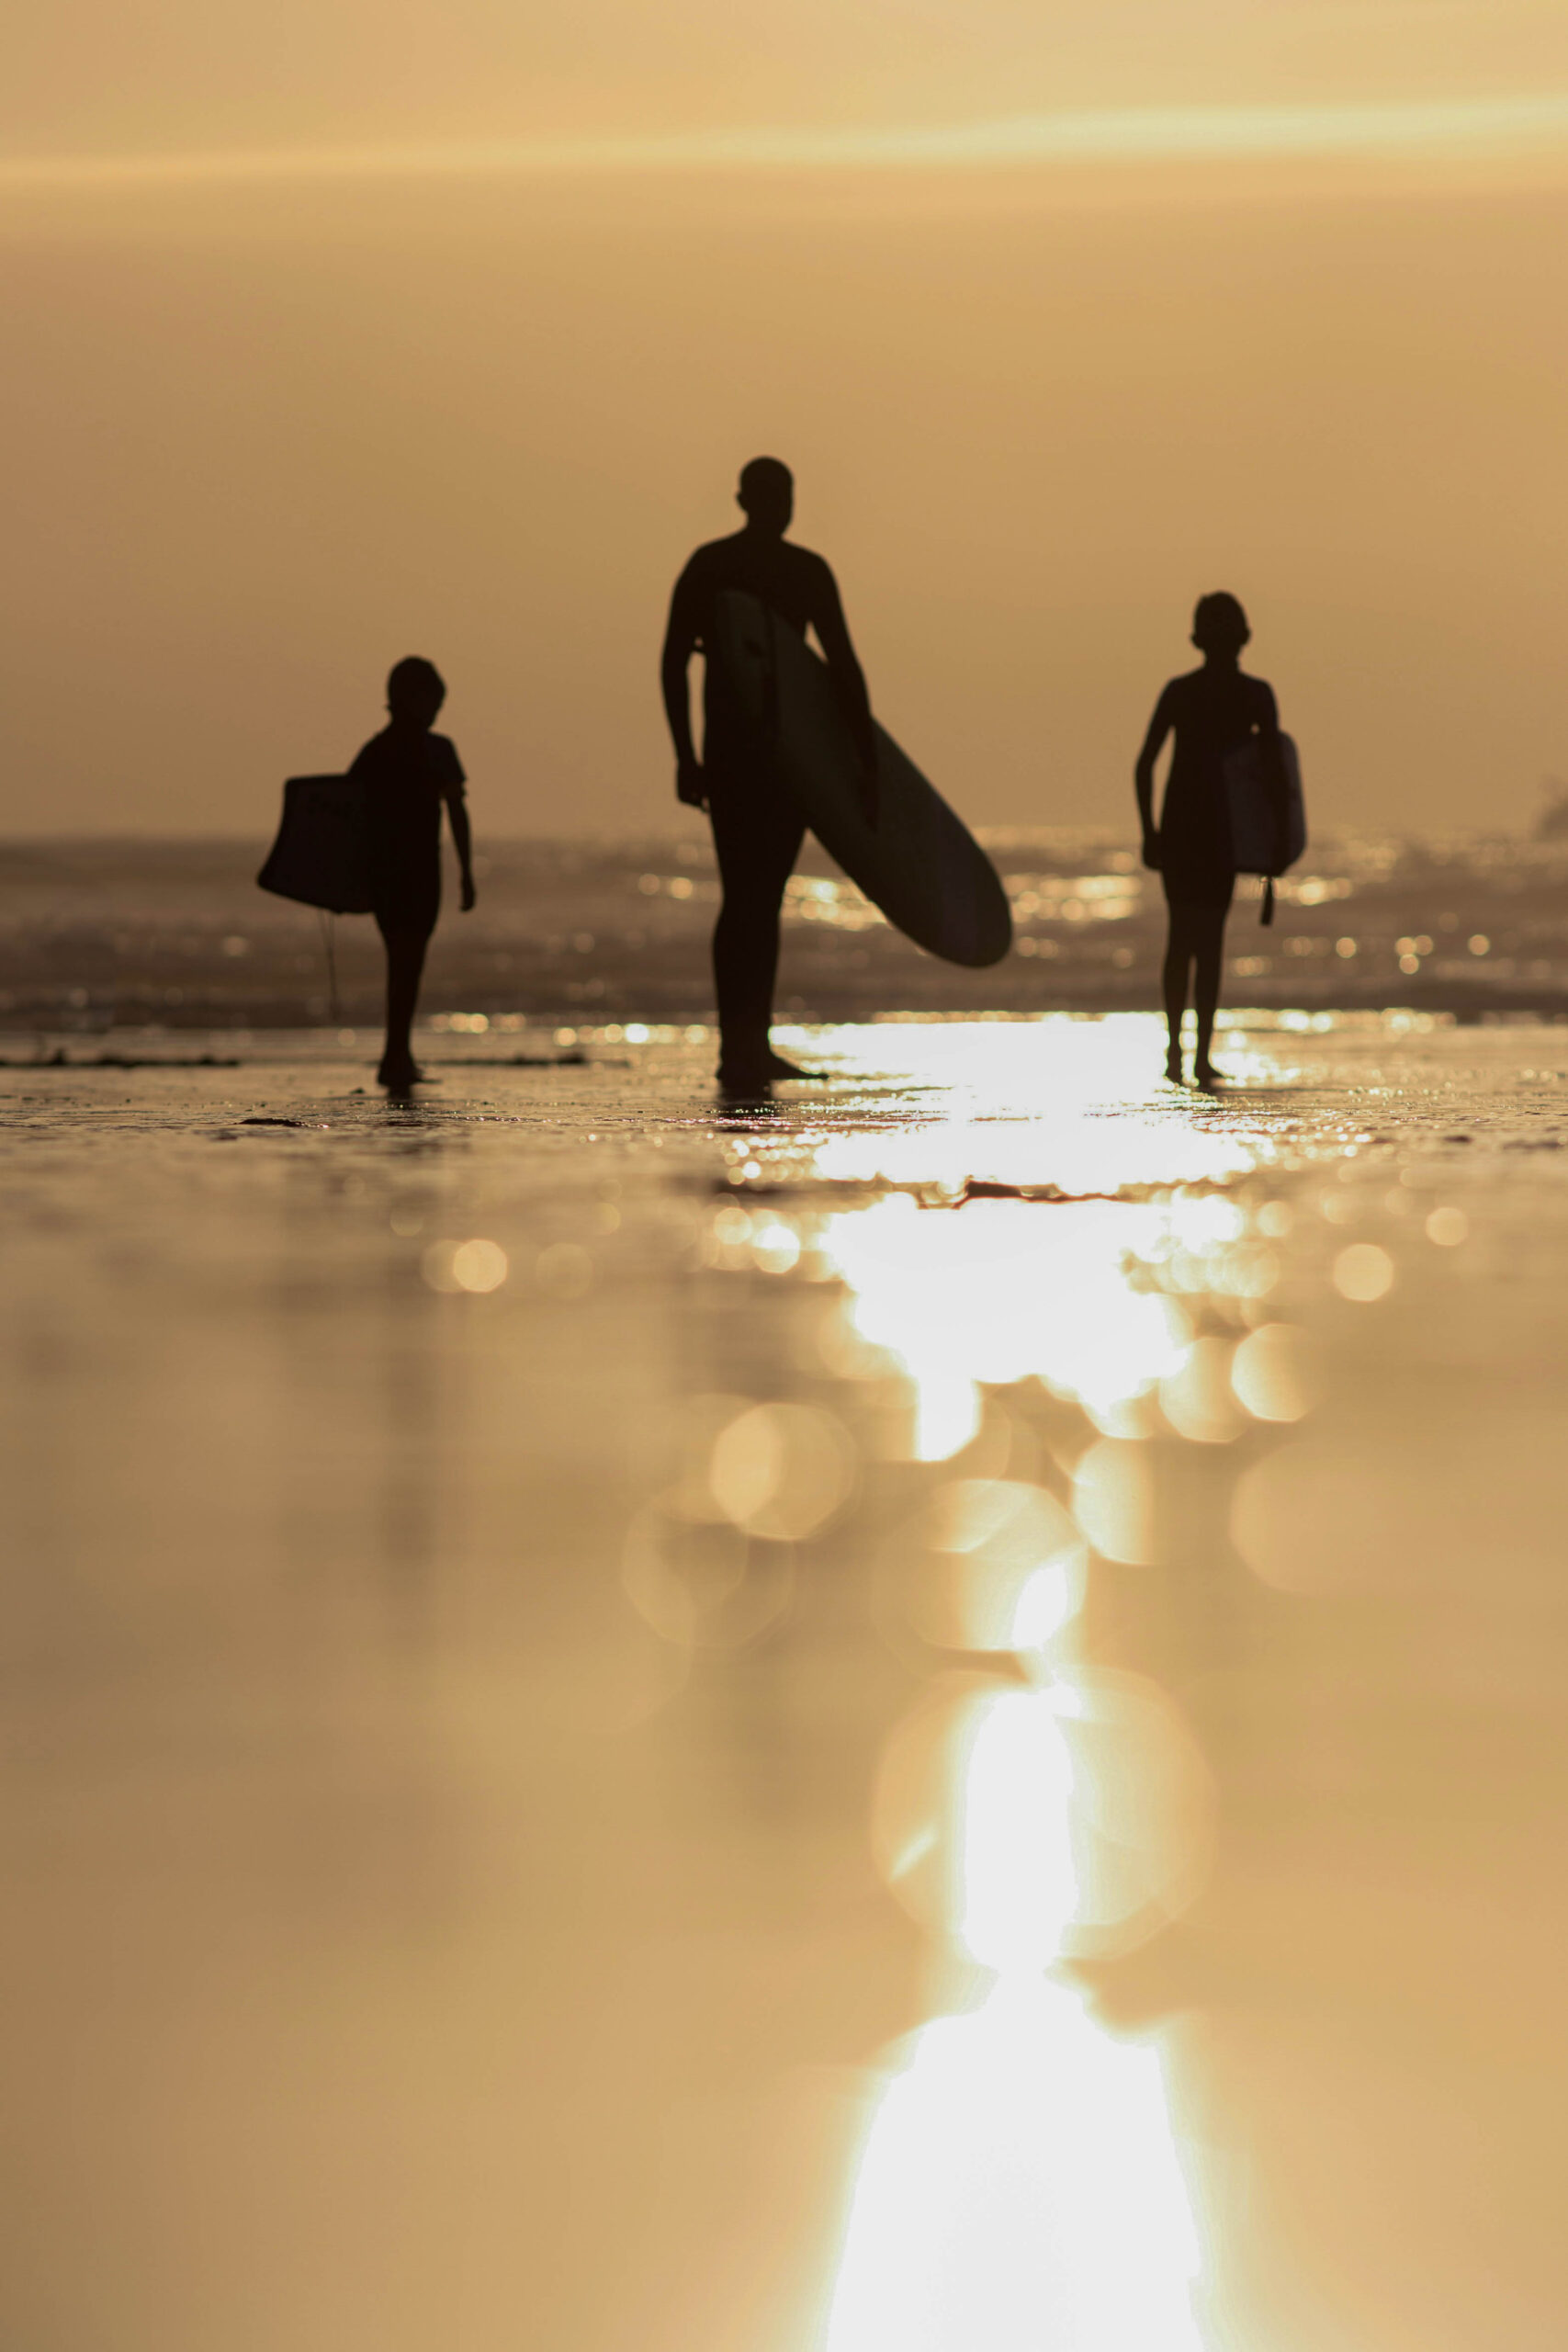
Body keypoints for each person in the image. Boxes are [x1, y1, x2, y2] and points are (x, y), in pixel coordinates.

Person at [660, 456, 877, 1095]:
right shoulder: (777, 569)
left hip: (764, 760)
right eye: (775, 494)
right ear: (751, 500)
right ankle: (741, 1047)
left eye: (785, 493)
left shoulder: (724, 565)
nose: (781, 504)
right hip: (764, 762)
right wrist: (860, 761)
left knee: (755, 898)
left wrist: (684, 754)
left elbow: (839, 667)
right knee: (751, 898)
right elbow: (844, 670)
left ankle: (747, 1045)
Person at [1134, 594, 1284, 1088]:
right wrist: (1276, 841)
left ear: (1198, 639)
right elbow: (1276, 777)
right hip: (1221, 834)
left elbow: (1143, 765)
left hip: (1184, 830)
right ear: (1244, 638)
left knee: (1183, 939)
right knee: (1208, 941)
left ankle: (1180, 1055)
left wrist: (1150, 832)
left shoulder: (1181, 692)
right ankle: (1195, 1058)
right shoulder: (1255, 695)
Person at [350, 656, 475, 1090]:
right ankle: (395, 1057)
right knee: (408, 962)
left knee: (400, 961)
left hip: (386, 874)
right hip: (417, 873)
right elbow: (457, 812)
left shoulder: (374, 752)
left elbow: (348, 816)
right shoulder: (436, 750)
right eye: (432, 702)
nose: (437, 711)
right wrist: (466, 871)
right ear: (409, 700)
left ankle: (397, 1054)